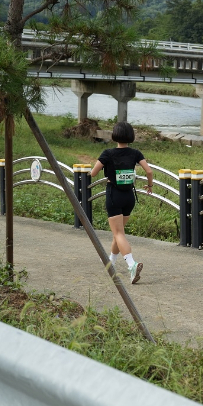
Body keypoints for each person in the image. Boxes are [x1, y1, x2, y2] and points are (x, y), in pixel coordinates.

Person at [90, 121, 153, 284]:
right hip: (129, 197)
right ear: (131, 136)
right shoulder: (135, 153)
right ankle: (110, 263)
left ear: (114, 135)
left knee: (119, 234)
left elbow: (93, 173)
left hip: (114, 195)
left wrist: (96, 169)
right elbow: (149, 171)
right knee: (118, 234)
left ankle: (132, 264)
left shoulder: (108, 153)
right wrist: (150, 185)